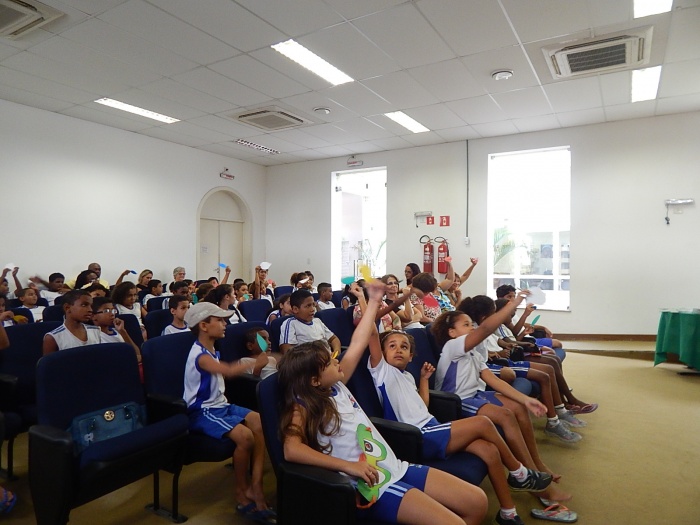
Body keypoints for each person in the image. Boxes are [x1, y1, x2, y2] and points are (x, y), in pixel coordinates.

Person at [278, 280, 488, 525]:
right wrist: (347, 466)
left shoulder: (337, 384)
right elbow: (292, 450)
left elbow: (358, 342)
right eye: (330, 362)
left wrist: (375, 301)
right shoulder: (303, 404)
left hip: (394, 466)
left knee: (477, 502)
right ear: (314, 380)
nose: (337, 361)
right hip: (373, 484)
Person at [371, 329, 554, 525]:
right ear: (382, 352)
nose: (398, 349)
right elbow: (372, 335)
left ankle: (508, 513)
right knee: (483, 423)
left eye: (404, 347)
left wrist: (424, 379)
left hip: (432, 426)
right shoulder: (382, 372)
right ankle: (519, 474)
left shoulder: (407, 376)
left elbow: (422, 406)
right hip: (417, 436)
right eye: (392, 346)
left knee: (489, 450)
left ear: (411, 356)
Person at [431, 299, 572, 501]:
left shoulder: (473, 352)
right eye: (466, 325)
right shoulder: (452, 347)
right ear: (452, 332)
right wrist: (513, 304)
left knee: (518, 407)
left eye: (471, 324)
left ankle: (537, 465)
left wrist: (525, 400)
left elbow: (493, 380)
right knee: (505, 415)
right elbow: (486, 328)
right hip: (454, 402)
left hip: (474, 395)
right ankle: (531, 480)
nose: (472, 328)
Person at [183, 302, 275, 523]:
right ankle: (241, 493)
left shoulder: (212, 350)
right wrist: (257, 361)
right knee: (245, 437)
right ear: (204, 325)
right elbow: (229, 370)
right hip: (203, 411)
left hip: (221, 405)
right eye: (220, 320)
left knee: (260, 422)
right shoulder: (200, 355)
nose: (225, 324)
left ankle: (256, 486)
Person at [457, 296, 585, 443]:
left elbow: (495, 342)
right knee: (543, 374)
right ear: (485, 317)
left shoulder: (482, 328)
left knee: (547, 370)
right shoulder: (475, 331)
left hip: (497, 360)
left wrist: (506, 346)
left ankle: (559, 411)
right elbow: (480, 353)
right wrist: (496, 353)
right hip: (493, 365)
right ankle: (554, 420)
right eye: (494, 314)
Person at [494, 299, 597, 414]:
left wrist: (526, 339)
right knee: (551, 364)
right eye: (511, 312)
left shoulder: (504, 326)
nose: (513, 314)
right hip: (516, 355)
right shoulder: (498, 326)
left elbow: (513, 339)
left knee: (554, 359)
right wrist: (529, 344)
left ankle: (565, 401)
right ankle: (567, 402)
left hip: (521, 349)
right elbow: (509, 342)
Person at [279, 289, 340, 355]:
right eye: (308, 306)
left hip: (328, 357)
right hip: (310, 360)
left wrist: (336, 351)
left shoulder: (317, 321)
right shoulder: (290, 324)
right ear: (295, 309)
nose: (313, 309)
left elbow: (333, 338)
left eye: (313, 305)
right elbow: (288, 351)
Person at [43, 289, 101, 353]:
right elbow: (49, 359)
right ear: (67, 308)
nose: (90, 310)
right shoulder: (53, 337)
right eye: (84, 305)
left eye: (91, 306)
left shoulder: (96, 331)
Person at [91, 297, 143, 364]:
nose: (112, 314)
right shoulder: (93, 336)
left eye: (113, 310)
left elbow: (137, 353)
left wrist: (123, 331)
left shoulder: (118, 331)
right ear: (93, 316)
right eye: (106, 311)